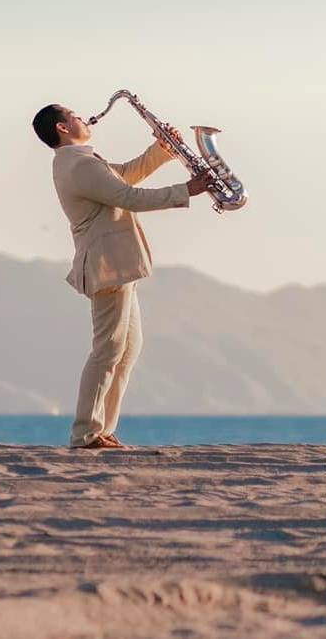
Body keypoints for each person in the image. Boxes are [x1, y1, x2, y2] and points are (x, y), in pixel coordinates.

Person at [31, 103, 209, 449]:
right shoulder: (78, 165)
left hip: (117, 263)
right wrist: (187, 190)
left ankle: (100, 429)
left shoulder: (83, 162)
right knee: (108, 349)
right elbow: (128, 197)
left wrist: (161, 151)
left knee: (126, 349)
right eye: (75, 116)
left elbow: (124, 176)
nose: (84, 117)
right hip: (107, 264)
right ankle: (85, 433)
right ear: (63, 129)